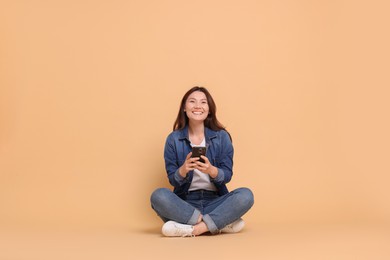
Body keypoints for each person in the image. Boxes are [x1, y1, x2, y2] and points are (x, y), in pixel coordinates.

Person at [150, 86, 254, 237]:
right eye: (192, 102)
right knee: (158, 196)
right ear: (184, 108)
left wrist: (211, 170)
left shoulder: (222, 137)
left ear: (209, 109)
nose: (198, 106)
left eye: (203, 102)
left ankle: (194, 228)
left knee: (246, 195)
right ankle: (217, 223)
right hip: (185, 204)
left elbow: (227, 175)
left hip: (215, 201)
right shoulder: (173, 139)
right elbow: (173, 179)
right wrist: (183, 170)